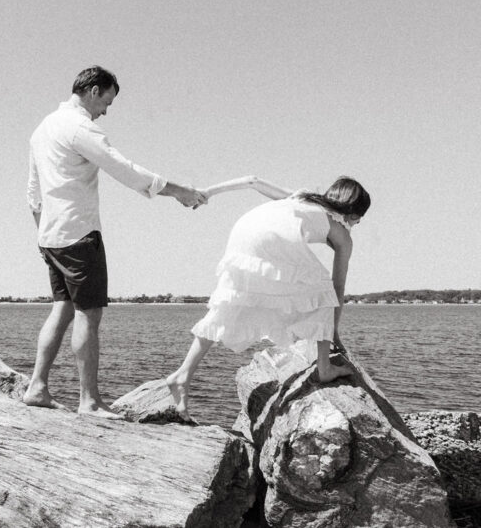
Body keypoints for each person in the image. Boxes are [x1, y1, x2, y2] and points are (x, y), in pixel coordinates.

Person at [24, 66, 207, 417]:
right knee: (87, 316)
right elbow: (124, 169)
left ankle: (37, 387)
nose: (105, 111)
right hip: (78, 235)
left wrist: (43, 232)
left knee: (61, 309)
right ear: (93, 91)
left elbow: (32, 192)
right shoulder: (79, 127)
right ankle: (89, 401)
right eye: (106, 102)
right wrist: (180, 191)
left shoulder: (42, 128)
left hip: (51, 236)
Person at [164, 175, 370, 421]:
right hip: (274, 238)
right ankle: (324, 369)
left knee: (228, 306)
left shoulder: (301, 197)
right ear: (352, 212)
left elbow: (253, 181)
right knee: (325, 292)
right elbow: (338, 287)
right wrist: (331, 332)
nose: (356, 224)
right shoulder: (343, 234)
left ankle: (182, 375)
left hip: (245, 230)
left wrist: (208, 191)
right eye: (359, 218)